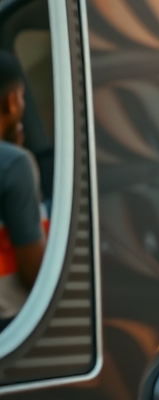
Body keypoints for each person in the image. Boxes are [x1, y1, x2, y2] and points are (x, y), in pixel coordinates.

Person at [0, 50, 46, 333]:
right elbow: (36, 275)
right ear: (11, 101)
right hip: (11, 328)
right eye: (22, 96)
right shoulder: (15, 165)